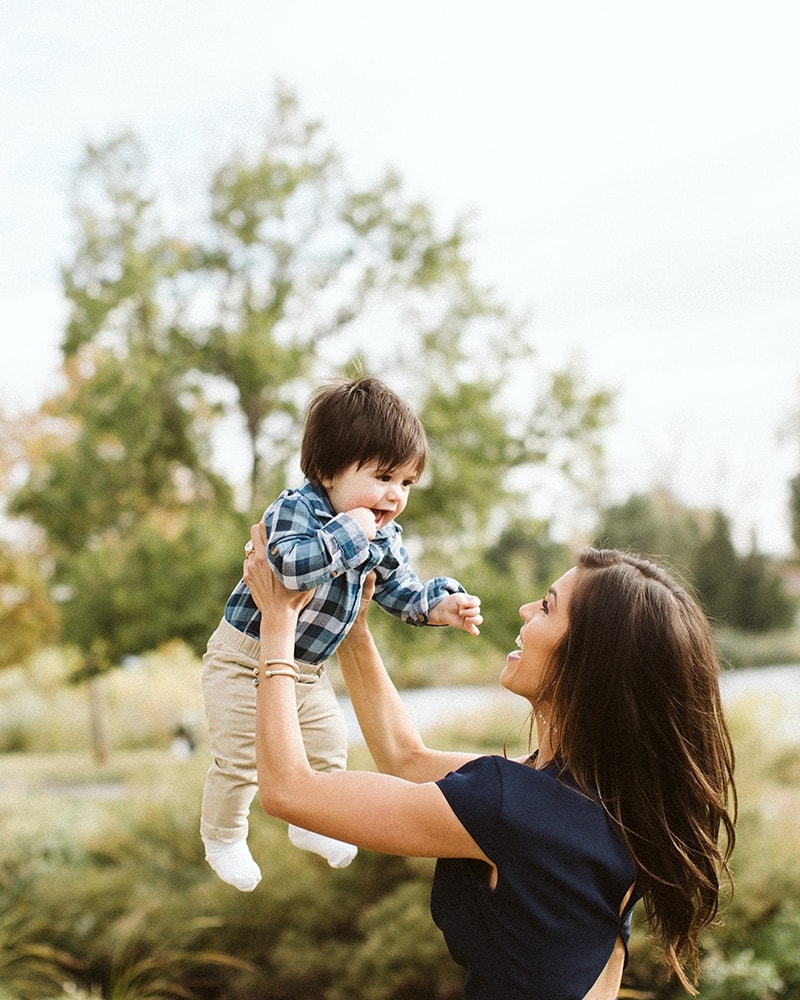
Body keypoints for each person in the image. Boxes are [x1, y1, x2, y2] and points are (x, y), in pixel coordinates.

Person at [243, 530, 736, 999]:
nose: (524, 611)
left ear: (588, 660)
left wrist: (279, 621)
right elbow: (405, 758)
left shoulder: (512, 806)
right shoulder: (603, 798)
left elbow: (287, 791)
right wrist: (352, 626)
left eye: (546, 607)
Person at [201, 377, 482, 891]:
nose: (394, 496)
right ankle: (222, 834)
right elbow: (288, 567)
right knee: (242, 758)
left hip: (306, 669)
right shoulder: (297, 510)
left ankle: (313, 823)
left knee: (330, 747)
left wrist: (438, 605)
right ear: (328, 471)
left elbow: (397, 590)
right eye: (383, 478)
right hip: (243, 658)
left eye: (406, 484)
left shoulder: (384, 533)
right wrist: (352, 531)